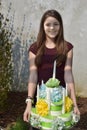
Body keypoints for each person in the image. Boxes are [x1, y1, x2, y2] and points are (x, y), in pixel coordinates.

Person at [23, 9, 80, 130]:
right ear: (42, 26)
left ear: (60, 26)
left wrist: (75, 103)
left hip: (60, 103)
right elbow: (33, 75)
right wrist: (29, 102)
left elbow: (68, 74)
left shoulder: (67, 48)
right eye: (48, 24)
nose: (52, 28)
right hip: (41, 103)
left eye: (56, 24)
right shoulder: (34, 48)